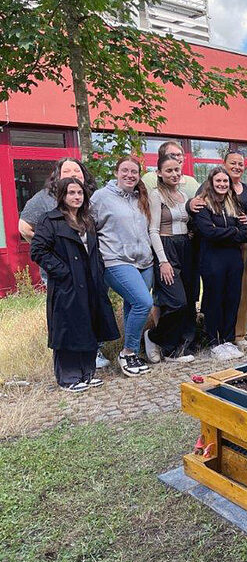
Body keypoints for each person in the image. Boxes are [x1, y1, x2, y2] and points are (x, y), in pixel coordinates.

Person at [18, 158, 109, 369]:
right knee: (68, 316)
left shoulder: (88, 201)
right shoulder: (43, 201)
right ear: (57, 176)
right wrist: (60, 260)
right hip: (63, 272)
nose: (72, 174)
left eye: (77, 170)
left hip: (88, 271)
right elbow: (24, 228)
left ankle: (91, 356)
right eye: (67, 171)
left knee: (90, 310)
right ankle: (71, 368)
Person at [30, 177, 119, 392]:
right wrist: (63, 272)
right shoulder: (50, 220)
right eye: (71, 193)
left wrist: (99, 271)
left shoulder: (87, 220)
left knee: (89, 325)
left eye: (80, 193)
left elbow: (94, 250)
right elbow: (38, 251)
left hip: (90, 282)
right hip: (67, 285)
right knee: (68, 328)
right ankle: (68, 378)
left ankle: (86, 373)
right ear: (62, 195)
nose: (77, 197)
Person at [90, 156, 154, 376]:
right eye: (125, 170)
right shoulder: (101, 197)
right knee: (143, 302)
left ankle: (131, 355)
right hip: (115, 260)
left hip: (144, 261)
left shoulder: (140, 197)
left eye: (134, 172)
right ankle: (128, 352)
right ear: (116, 172)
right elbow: (89, 227)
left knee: (132, 305)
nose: (129, 175)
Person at [143, 154, 196, 364]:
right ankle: (153, 336)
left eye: (176, 170)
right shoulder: (156, 195)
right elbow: (153, 230)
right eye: (169, 171)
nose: (174, 174)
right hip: (166, 248)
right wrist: (163, 261)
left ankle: (173, 350)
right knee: (176, 302)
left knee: (189, 301)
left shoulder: (183, 195)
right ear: (159, 173)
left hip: (186, 248)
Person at [193, 167, 247, 359]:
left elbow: (244, 232)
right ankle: (214, 341)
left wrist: (227, 232)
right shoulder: (203, 205)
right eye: (219, 181)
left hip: (233, 258)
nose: (222, 185)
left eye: (225, 182)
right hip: (212, 258)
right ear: (211, 182)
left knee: (232, 298)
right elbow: (208, 232)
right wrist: (233, 232)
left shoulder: (234, 203)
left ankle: (227, 339)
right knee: (214, 299)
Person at [221, 151, 247, 349]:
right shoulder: (215, 184)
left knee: (244, 292)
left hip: (245, 246)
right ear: (224, 164)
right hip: (222, 248)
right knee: (223, 291)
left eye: (240, 164)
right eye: (233, 163)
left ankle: (240, 333)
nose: (237, 166)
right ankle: (221, 333)